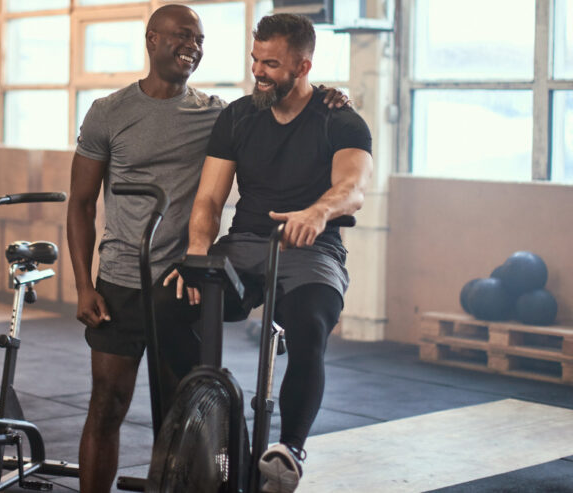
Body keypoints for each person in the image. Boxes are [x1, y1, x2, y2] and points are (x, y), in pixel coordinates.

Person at [67, 5, 350, 491]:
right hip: (120, 281)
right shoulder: (108, 113)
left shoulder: (215, 113)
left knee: (187, 412)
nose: (191, 47)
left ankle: (212, 479)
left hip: (184, 280)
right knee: (107, 405)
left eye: (198, 40)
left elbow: (277, 104)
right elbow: (80, 204)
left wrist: (322, 93)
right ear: (152, 39)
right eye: (181, 36)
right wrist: (83, 285)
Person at [167, 13, 374, 493]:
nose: (259, 72)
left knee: (310, 321)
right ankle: (207, 420)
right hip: (243, 245)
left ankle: (289, 451)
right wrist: (197, 254)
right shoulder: (238, 116)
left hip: (309, 245)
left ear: (303, 67)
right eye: (256, 60)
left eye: (272, 64)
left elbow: (353, 187)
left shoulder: (339, 119)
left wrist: (318, 212)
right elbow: (210, 199)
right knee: (171, 306)